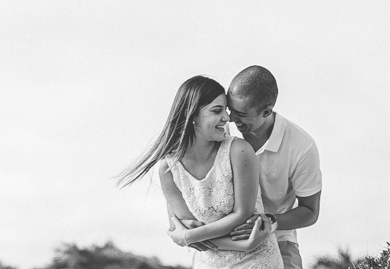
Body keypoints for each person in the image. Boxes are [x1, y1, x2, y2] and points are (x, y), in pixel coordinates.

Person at [119, 76, 282, 269]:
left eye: (226, 110)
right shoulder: (169, 169)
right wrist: (245, 244)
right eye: (216, 111)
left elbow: (241, 214)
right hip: (210, 262)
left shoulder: (239, 151)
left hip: (257, 260)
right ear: (192, 115)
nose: (227, 118)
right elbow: (189, 233)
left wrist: (187, 237)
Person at [225, 66, 321, 269]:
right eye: (230, 110)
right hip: (226, 238)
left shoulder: (302, 147)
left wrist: (269, 221)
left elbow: (310, 211)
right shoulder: (221, 129)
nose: (232, 119)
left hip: (279, 239)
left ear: (266, 112)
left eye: (241, 114)